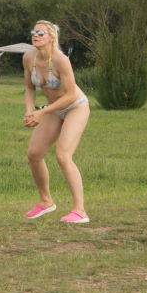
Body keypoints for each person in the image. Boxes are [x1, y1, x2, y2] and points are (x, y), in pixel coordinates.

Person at [21, 20, 91, 224]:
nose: (35, 35)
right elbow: (29, 88)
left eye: (41, 33)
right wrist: (30, 111)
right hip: (53, 109)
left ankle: (80, 211)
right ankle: (45, 202)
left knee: (63, 155)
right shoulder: (28, 58)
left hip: (74, 107)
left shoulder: (61, 61)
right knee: (34, 154)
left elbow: (69, 95)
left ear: (52, 37)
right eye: (33, 32)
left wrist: (42, 113)